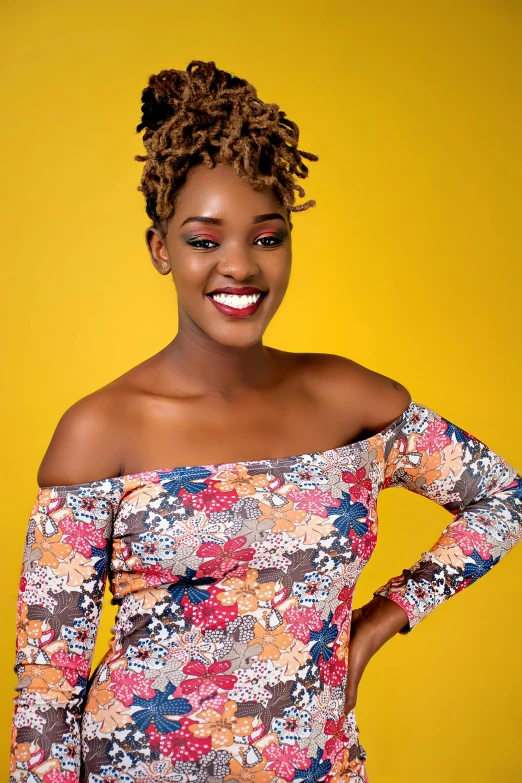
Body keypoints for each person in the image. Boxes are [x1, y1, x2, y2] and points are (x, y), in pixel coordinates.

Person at [10, 59, 522, 783]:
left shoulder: (348, 400)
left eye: (268, 237)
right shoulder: (101, 429)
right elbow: (48, 690)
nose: (241, 267)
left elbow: (503, 497)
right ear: (162, 250)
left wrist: (381, 620)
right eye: (205, 240)